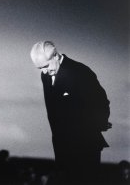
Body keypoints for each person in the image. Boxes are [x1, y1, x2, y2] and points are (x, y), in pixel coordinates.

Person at [30, 41, 111, 184]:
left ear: (55, 55)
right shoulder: (45, 76)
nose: (44, 71)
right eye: (40, 68)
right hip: (62, 147)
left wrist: (97, 124)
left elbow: (101, 102)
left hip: (85, 146)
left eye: (46, 66)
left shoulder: (81, 72)